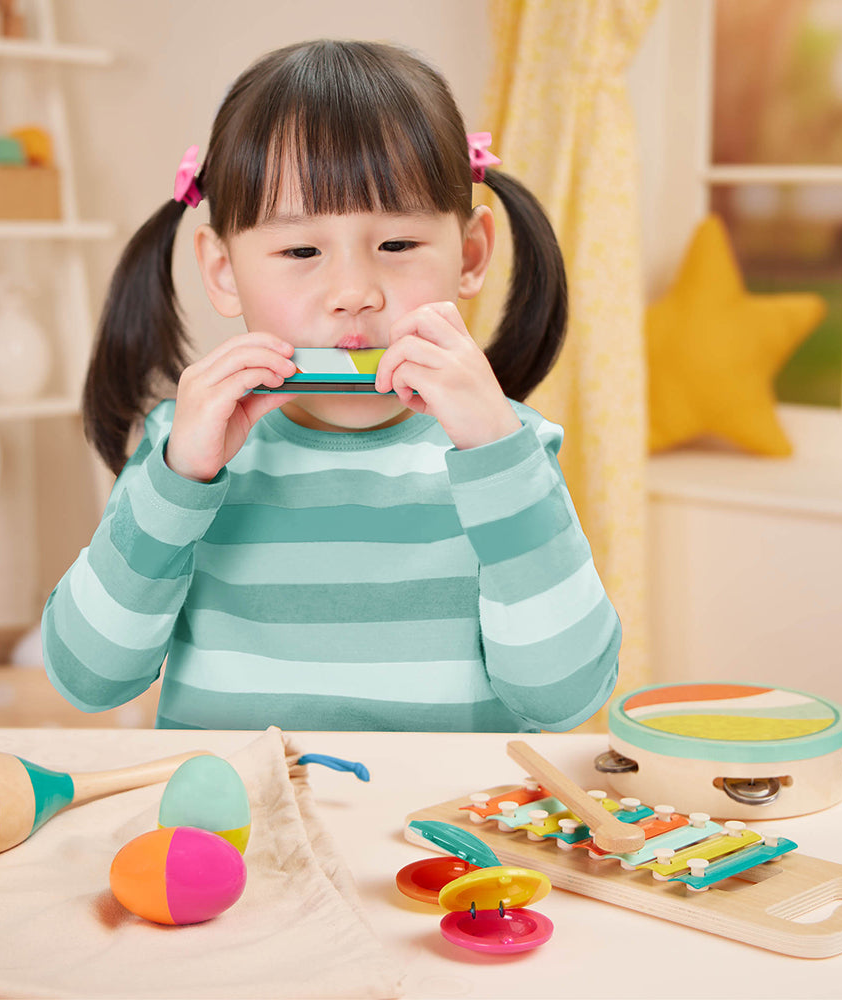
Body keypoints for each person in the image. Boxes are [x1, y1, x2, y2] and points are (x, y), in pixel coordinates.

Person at [42, 39, 621, 732]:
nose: (353, 293)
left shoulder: (508, 451)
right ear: (224, 272)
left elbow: (565, 697)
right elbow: (88, 677)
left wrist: (497, 458)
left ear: (470, 255)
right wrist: (177, 483)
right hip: (238, 803)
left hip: (444, 807)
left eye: (397, 245)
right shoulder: (182, 453)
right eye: (301, 250)